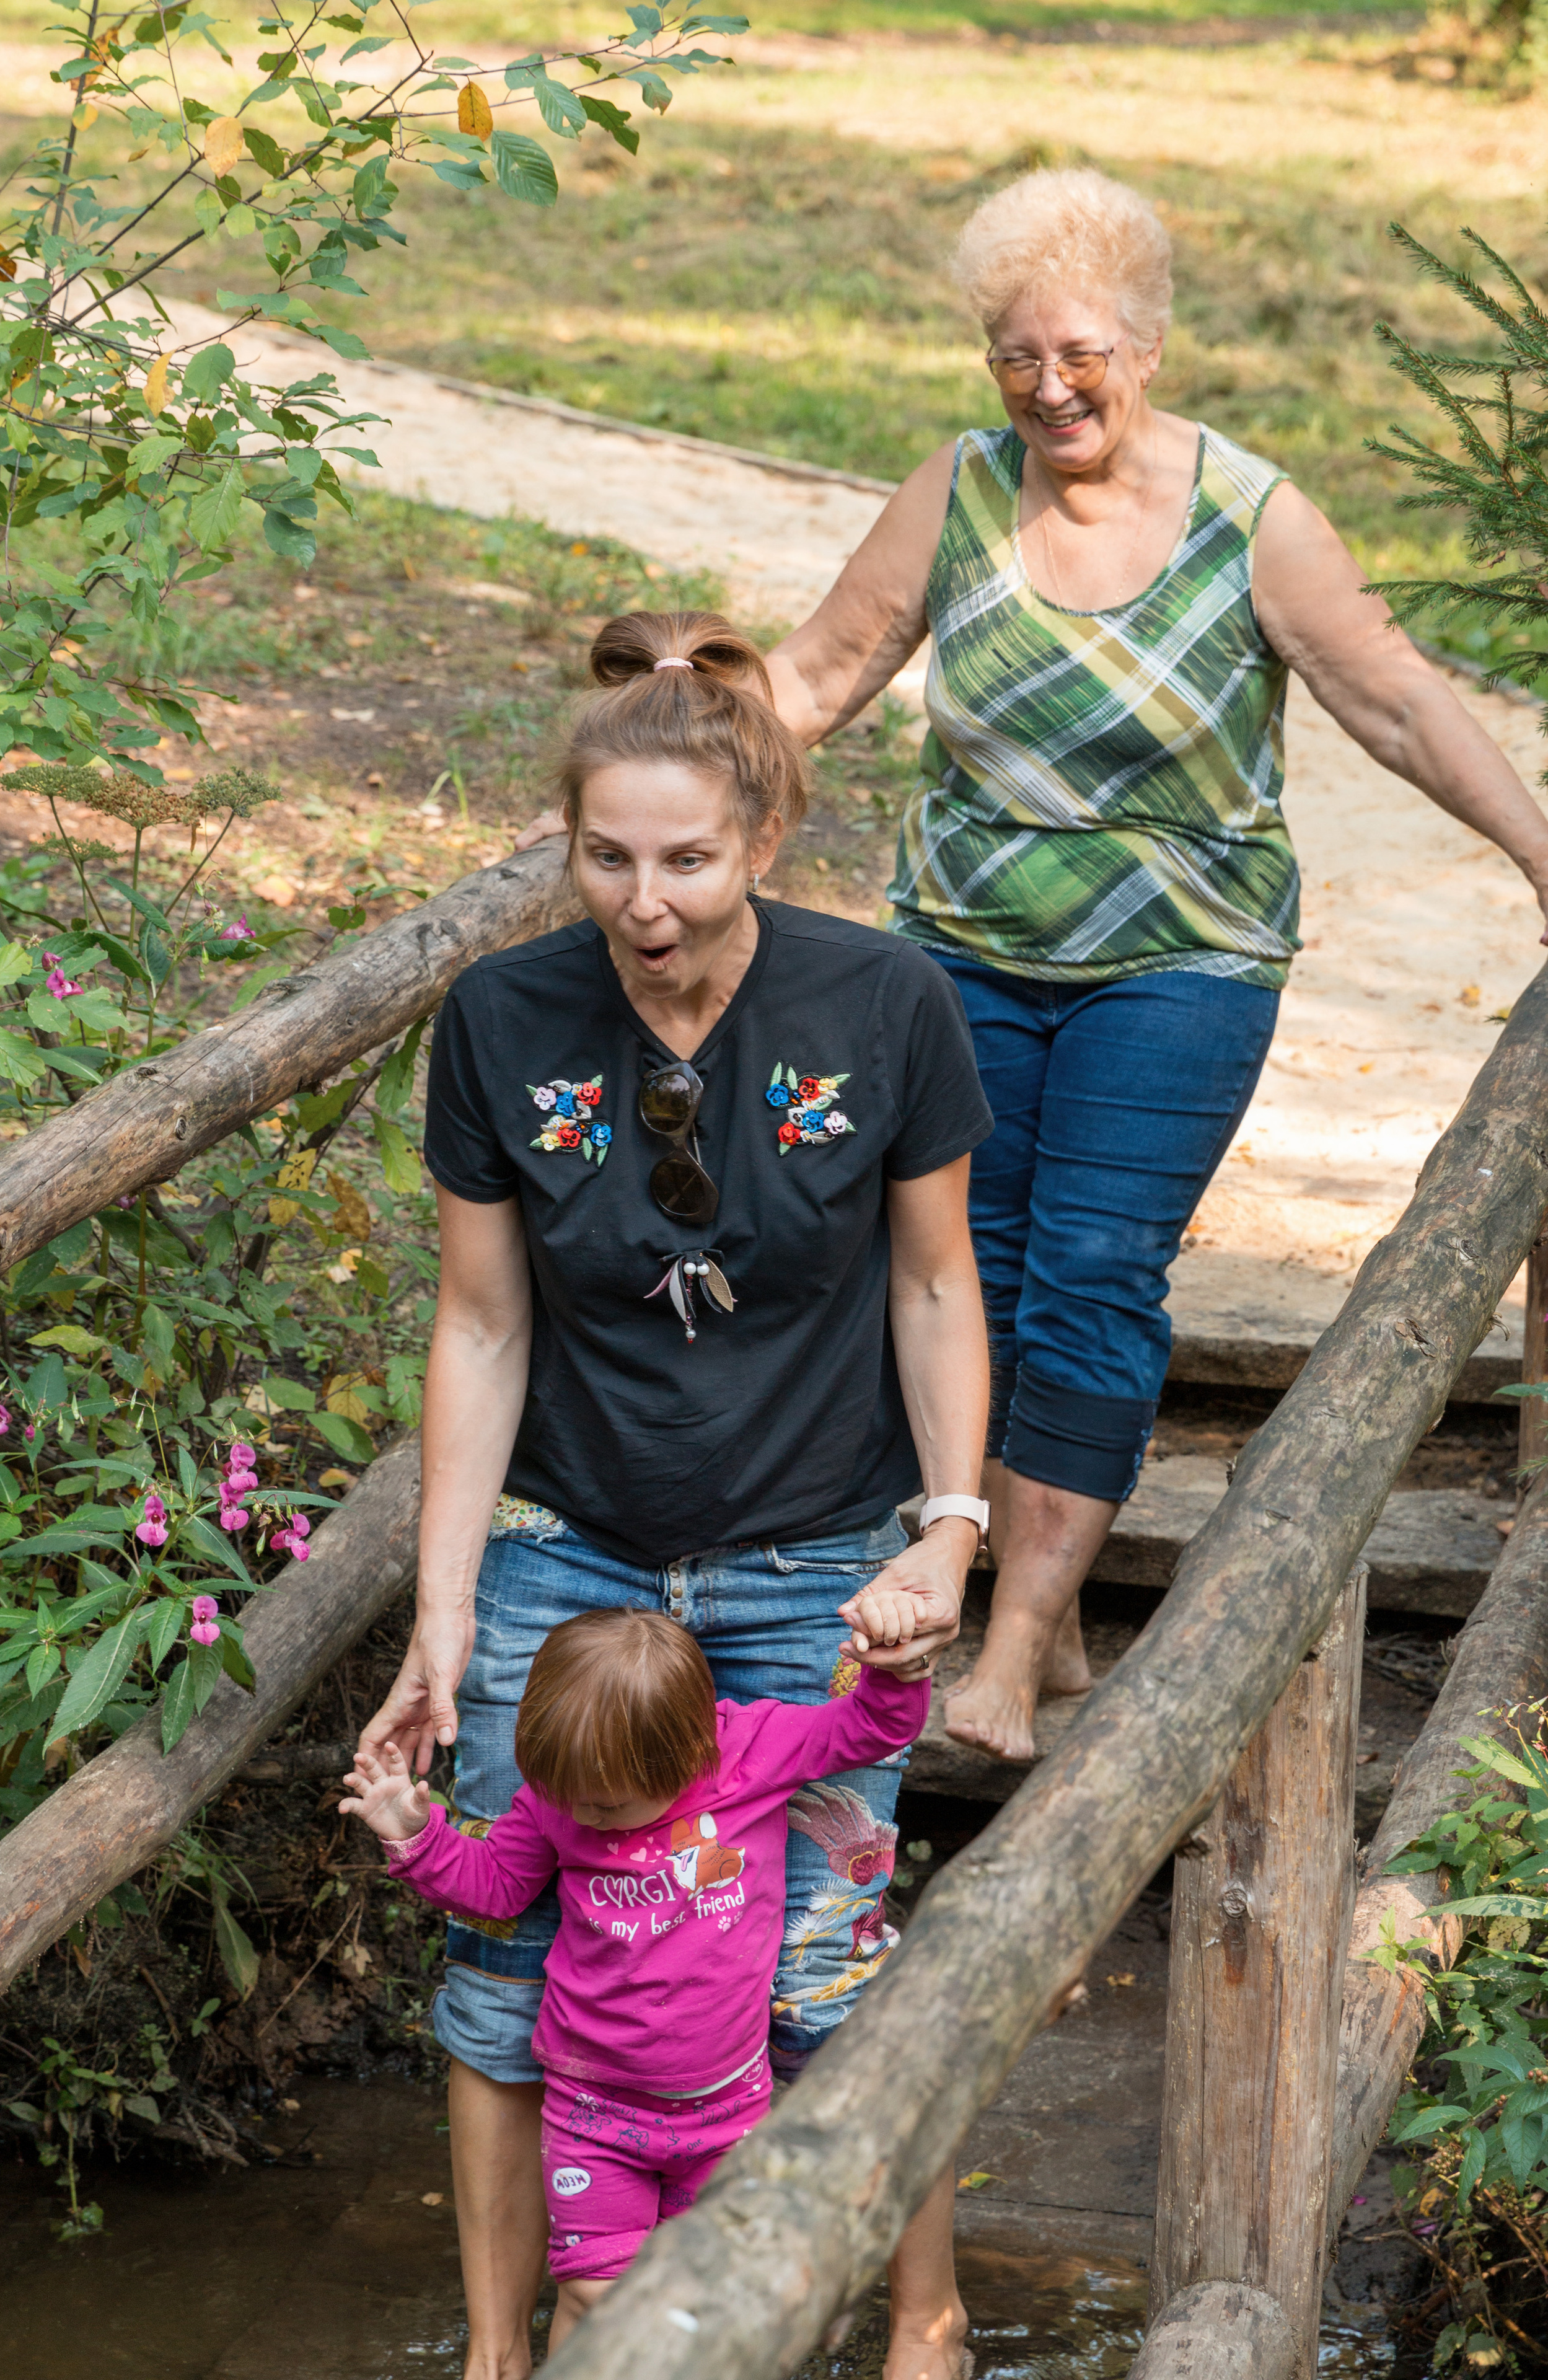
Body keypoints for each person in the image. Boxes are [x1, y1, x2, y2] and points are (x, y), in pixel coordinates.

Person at [748, 164, 1548, 1764]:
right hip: (961, 955)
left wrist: (1537, 849)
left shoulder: (1251, 518)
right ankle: (1031, 1612)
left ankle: (1007, 1649)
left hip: (1182, 962)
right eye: (1015, 356)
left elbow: (1393, 699)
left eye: (1081, 354)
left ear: (1150, 347)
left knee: (1095, 1270)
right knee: (964, 1269)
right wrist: (658, 770)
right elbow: (816, 676)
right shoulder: (957, 493)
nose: (1049, 387)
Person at [359, 607, 993, 2380]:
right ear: (570, 843)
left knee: (823, 1965)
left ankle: (922, 2324)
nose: (645, 903)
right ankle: (503, 2357)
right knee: (508, 1961)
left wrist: (949, 1528)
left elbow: (935, 1284)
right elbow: (482, 1324)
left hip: (814, 1552)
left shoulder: (884, 1004)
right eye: (608, 860)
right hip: (572, 1544)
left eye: (689, 862)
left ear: (764, 838)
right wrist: (445, 1605)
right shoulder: (500, 1021)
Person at [344, 1605, 932, 2350]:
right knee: (594, 2291)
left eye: (609, 1803)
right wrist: (415, 1835)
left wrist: (897, 1673)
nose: (587, 1815)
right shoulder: (563, 1795)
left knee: (713, 2300)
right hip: (593, 2112)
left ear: (686, 1751)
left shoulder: (751, 1750)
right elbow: (498, 1886)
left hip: (728, 2112)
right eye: (571, 1798)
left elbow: (870, 1729)